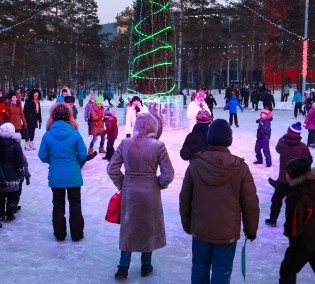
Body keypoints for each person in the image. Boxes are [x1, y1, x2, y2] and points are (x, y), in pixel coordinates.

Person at [179, 118, 259, 283]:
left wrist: (188, 225)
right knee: (221, 273)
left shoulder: (195, 164)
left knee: (199, 268)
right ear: (229, 140)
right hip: (226, 234)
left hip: (200, 231)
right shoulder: (240, 168)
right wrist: (251, 230)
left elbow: (184, 199)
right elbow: (250, 204)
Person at [108, 113, 175, 280]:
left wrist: (122, 184)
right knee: (148, 225)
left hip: (130, 191)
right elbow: (169, 174)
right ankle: (146, 265)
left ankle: (123, 267)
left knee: (129, 228)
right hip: (150, 192)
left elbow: (112, 169)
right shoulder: (158, 145)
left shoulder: (125, 143)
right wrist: (158, 184)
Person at [279, 157, 315, 284]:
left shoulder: (297, 196)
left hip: (304, 241)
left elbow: (294, 224)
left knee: (288, 270)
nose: (286, 176)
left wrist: (292, 236)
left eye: (287, 173)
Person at [39, 103, 88, 241]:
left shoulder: (48, 135)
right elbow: (83, 154)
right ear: (69, 116)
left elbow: (42, 156)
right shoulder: (74, 134)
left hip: (56, 175)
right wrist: (76, 163)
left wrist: (53, 162)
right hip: (73, 174)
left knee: (58, 204)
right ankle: (77, 234)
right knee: (75, 203)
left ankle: (59, 234)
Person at [265, 122, 311, 227]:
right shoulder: (303, 147)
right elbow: (309, 160)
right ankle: (292, 223)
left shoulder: (282, 144)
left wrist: (284, 137)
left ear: (288, 132)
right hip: (296, 181)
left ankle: (272, 220)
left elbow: (277, 149)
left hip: (283, 180)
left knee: (277, 199)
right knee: (294, 202)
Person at [0, 123, 24, 222]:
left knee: (1, 194)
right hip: (12, 173)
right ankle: (10, 214)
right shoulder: (16, 145)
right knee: (13, 194)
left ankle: (0, 213)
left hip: (0, 173)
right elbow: (19, 161)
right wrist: (21, 172)